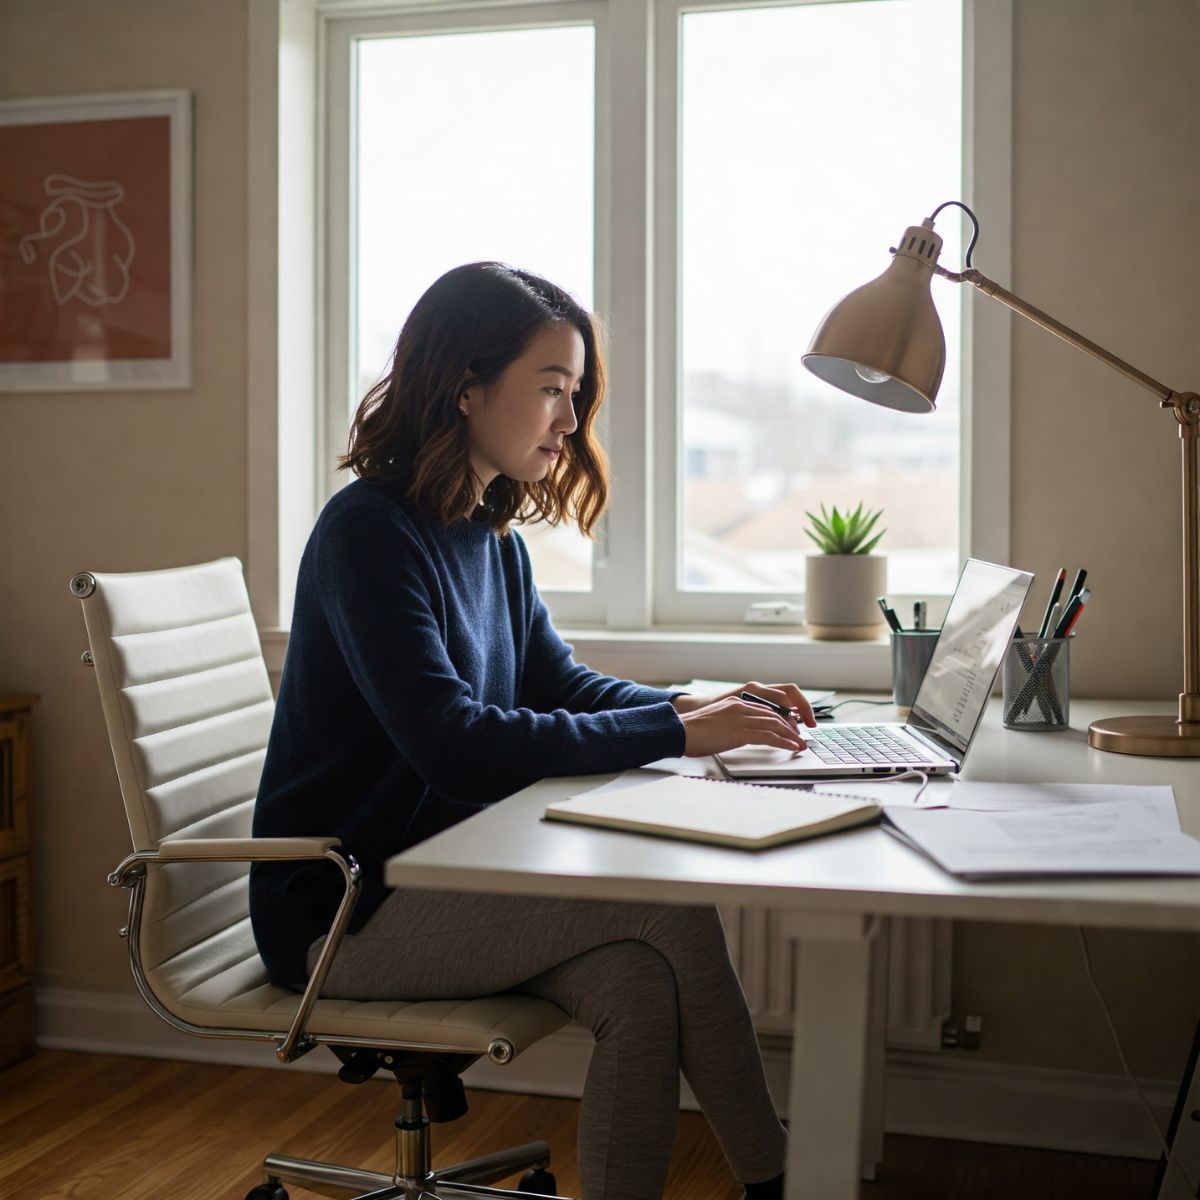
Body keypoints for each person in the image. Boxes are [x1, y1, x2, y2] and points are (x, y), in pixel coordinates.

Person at [250, 262, 818, 1200]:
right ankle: (783, 1184)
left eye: (576, 392)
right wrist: (677, 736)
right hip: (345, 910)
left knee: (639, 984)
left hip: (437, 880)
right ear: (465, 387)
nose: (570, 417)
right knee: (671, 906)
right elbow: (457, 745)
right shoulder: (367, 534)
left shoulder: (490, 536)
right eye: (553, 388)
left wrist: (694, 709)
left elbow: (561, 685)